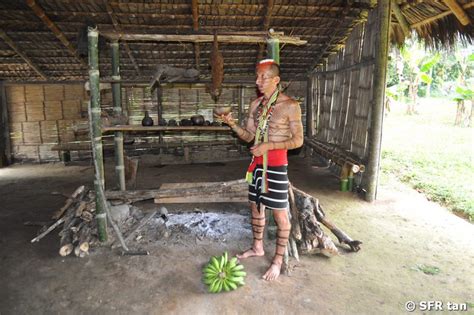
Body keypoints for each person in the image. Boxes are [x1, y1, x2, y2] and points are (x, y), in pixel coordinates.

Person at [218, 59, 304, 281]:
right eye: (257, 77)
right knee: (256, 208)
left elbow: (298, 141)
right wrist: (232, 125)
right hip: (256, 165)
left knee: (280, 215)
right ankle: (257, 247)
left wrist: (269, 145)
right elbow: (249, 137)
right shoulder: (256, 105)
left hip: (276, 166)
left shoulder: (290, 105)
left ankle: (277, 261)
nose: (258, 81)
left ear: (276, 80)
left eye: (263, 77)